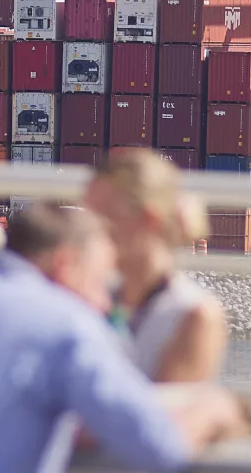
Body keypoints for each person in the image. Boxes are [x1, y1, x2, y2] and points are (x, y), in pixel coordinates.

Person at [0, 207, 243, 473]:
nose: (105, 300)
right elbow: (161, 448)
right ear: (64, 264)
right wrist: (212, 407)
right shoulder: (67, 323)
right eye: (100, 282)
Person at [84, 149, 225, 383]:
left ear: (149, 220)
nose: (89, 229)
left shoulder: (193, 316)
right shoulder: (92, 298)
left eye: (103, 217)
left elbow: (161, 416)